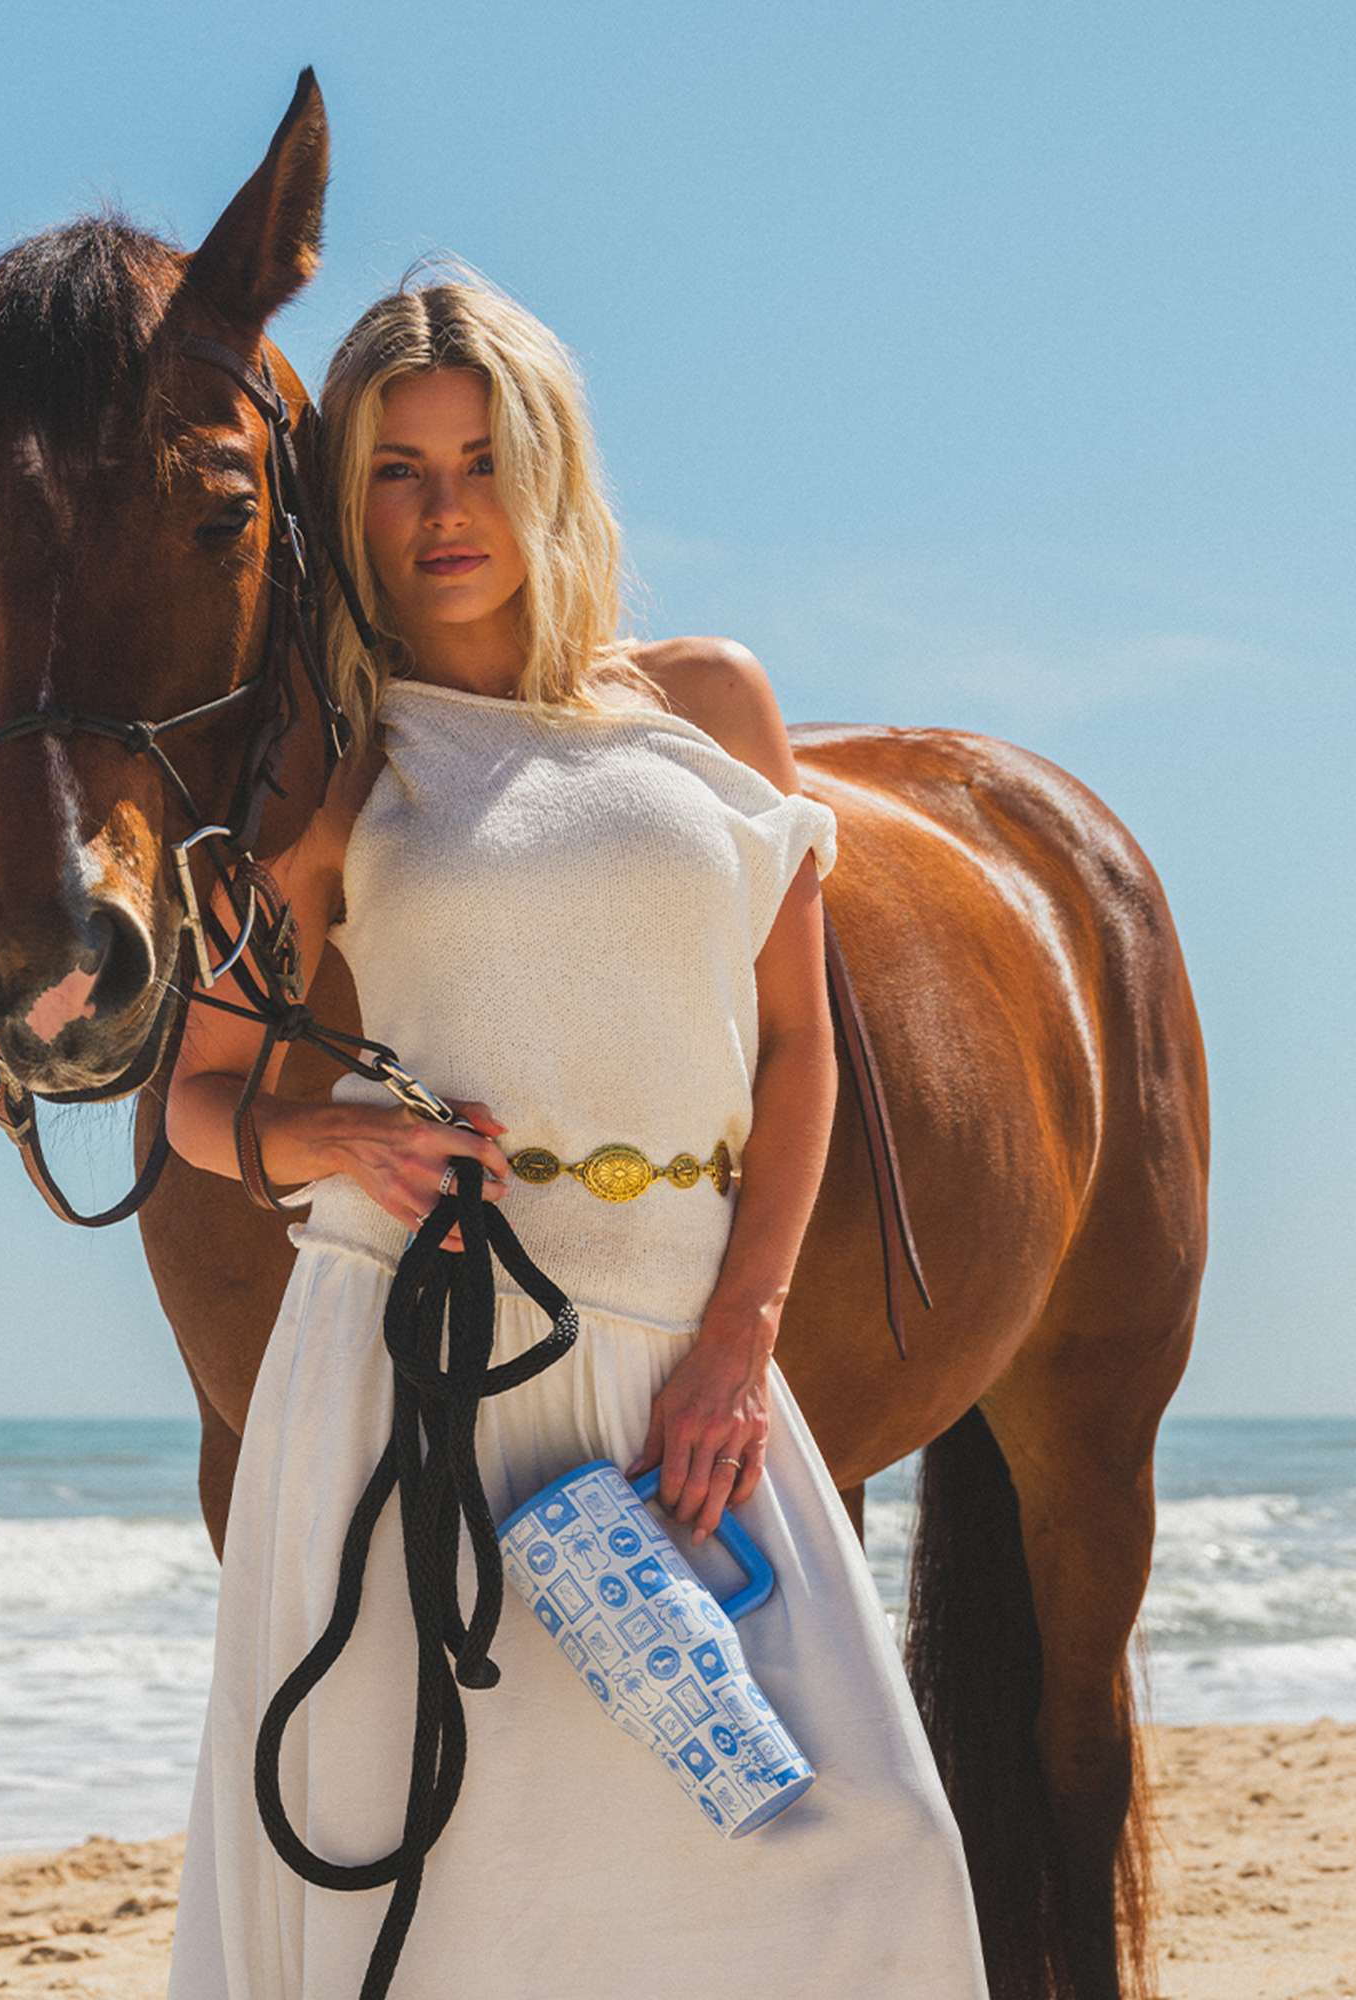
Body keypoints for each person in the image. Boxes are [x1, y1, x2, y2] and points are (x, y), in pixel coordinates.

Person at [165, 280, 986, 1998]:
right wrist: (334, 1145)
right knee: (460, 1887)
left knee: (866, 1846)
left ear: (550, 466)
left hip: (683, 1361)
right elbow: (203, 1100)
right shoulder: (329, 764)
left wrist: (742, 1339)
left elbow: (793, 1046)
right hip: (417, 1366)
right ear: (345, 496)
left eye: (480, 459)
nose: (445, 510)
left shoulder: (707, 701)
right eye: (397, 470)